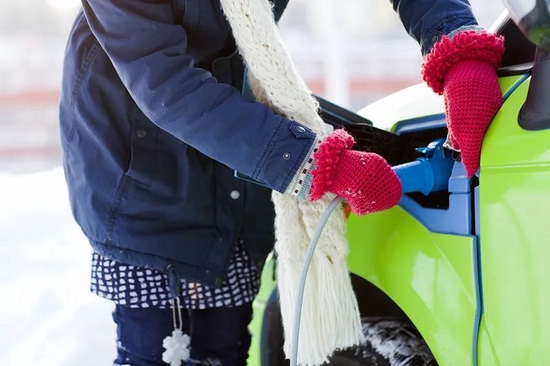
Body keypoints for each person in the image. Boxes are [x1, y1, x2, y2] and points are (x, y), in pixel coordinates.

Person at [58, 0, 504, 365]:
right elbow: (164, 83)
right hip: (143, 172)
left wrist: (456, 43)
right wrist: (313, 163)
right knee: (155, 354)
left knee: (222, 351)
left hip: (236, 159)